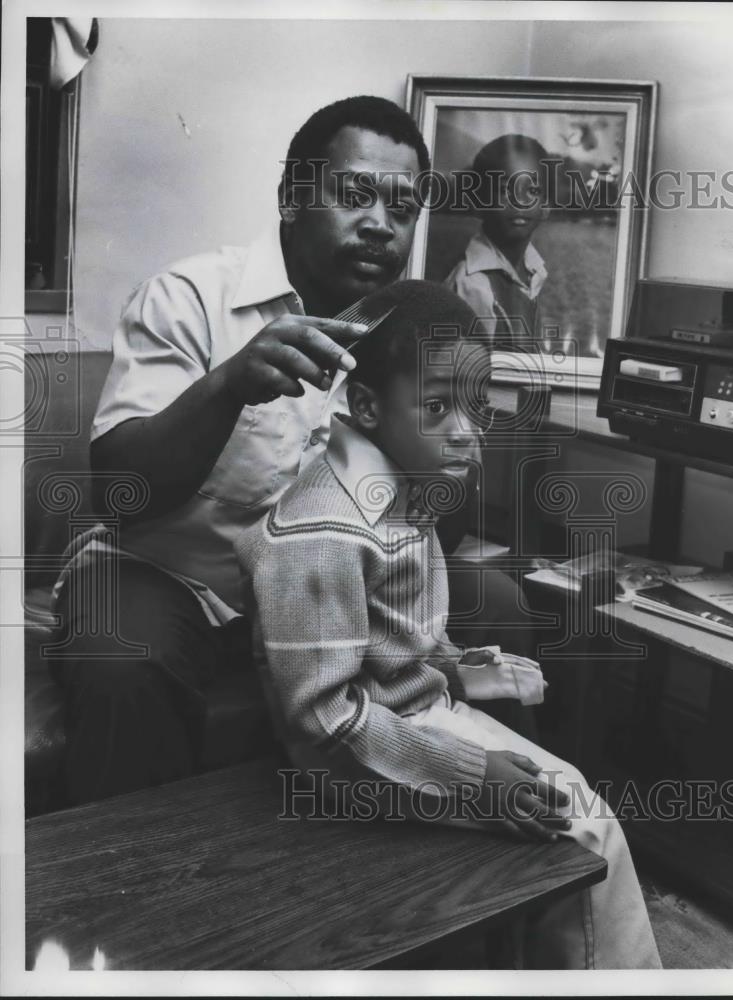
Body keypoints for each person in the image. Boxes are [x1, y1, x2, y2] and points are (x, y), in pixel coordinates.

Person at [50, 95, 534, 806]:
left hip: (337, 584)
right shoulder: (188, 298)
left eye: (401, 209)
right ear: (291, 195)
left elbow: (431, 528)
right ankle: (145, 904)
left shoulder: (412, 331)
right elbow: (122, 493)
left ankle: (480, 863)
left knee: (500, 602)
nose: (379, 224)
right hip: (173, 576)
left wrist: (445, 455)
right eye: (354, 195)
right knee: (122, 662)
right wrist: (228, 386)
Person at [235, 280, 661, 970]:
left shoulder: (397, 489)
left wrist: (462, 665)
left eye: (474, 404)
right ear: (367, 407)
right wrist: (472, 775)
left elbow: (393, 641)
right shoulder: (323, 529)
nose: (465, 428)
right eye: (437, 406)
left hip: (411, 721)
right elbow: (322, 724)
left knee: (567, 798)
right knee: (585, 827)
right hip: (361, 759)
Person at [445, 133, 550, 349]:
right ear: (478, 203)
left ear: (546, 207)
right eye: (505, 190)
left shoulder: (534, 268)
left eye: (532, 190)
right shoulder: (473, 286)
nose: (520, 201)